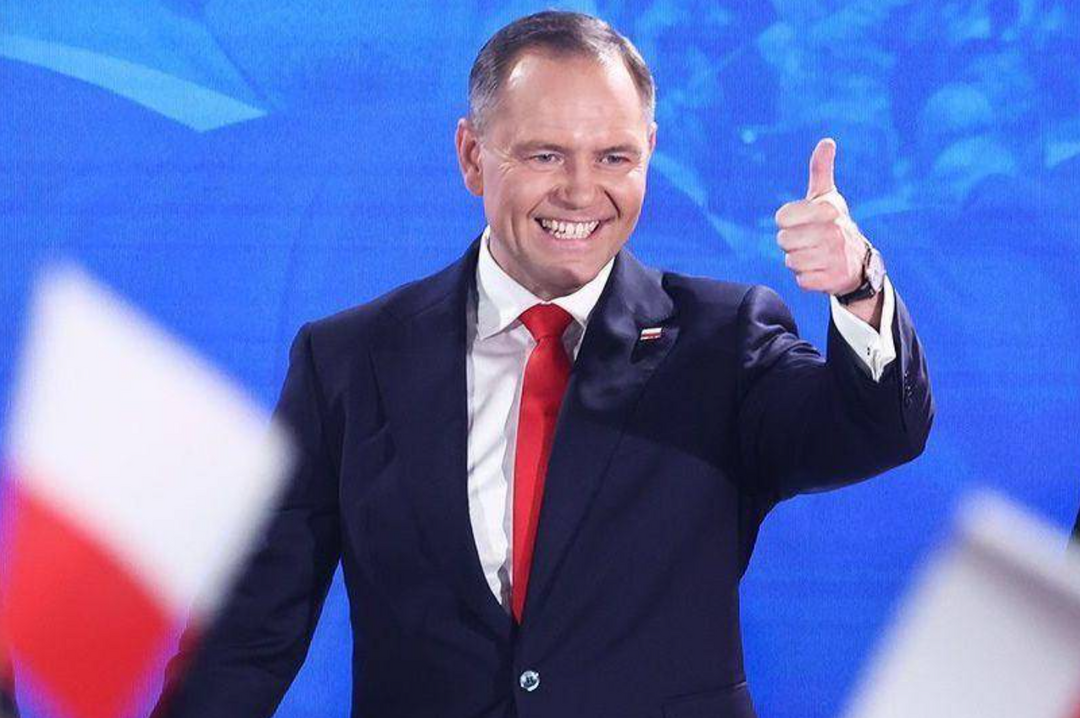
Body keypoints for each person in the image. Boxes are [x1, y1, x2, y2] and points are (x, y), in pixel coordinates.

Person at [156, 10, 933, 718]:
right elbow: (250, 635)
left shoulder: (723, 341)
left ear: (650, 152)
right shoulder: (348, 362)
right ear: (472, 156)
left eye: (614, 156)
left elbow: (876, 430)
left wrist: (860, 285)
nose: (581, 191)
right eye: (545, 154)